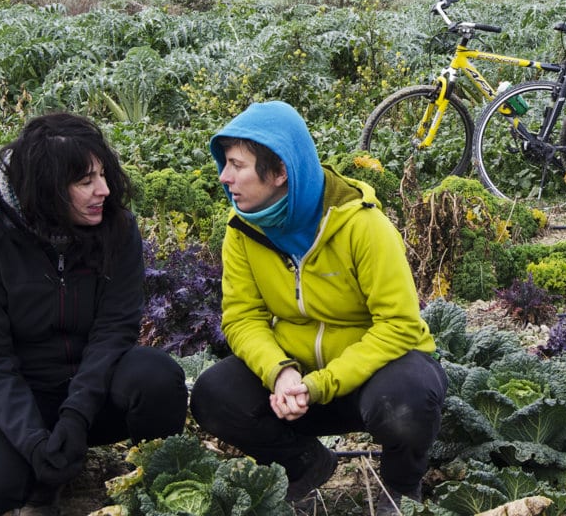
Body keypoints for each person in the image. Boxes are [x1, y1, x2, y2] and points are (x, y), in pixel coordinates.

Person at [190, 101, 446, 510]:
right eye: (226, 164)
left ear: (279, 173)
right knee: (213, 395)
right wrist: (280, 373)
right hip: (295, 384)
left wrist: (321, 384)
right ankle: (306, 465)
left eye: (237, 165)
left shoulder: (363, 226)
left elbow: (398, 326)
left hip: (372, 376)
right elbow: (242, 318)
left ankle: (400, 488)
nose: (225, 177)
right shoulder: (242, 230)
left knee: (407, 399)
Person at [0, 112, 188, 514]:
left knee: (158, 377)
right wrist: (31, 439)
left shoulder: (118, 230)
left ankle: (150, 477)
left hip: (99, 396)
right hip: (30, 399)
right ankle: (48, 468)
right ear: (46, 191)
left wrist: (77, 415)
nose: (104, 190)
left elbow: (115, 330)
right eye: (85, 182)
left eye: (102, 174)